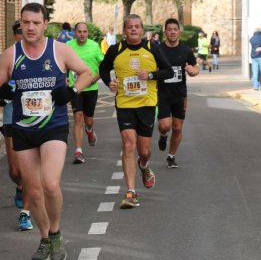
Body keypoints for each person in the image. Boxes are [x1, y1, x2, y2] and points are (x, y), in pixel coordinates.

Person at [0, 3, 93, 260]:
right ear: (21, 24)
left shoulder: (58, 50)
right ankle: (45, 237)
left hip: (53, 127)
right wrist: (1, 93)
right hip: (23, 129)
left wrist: (71, 91)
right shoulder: (11, 55)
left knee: (49, 184)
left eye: (36, 22)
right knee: (33, 191)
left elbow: (87, 73)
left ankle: (56, 232)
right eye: (26, 22)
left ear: (45, 24)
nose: (30, 27)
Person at [98, 14, 173, 209]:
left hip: (147, 104)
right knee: (128, 145)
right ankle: (131, 192)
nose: (133, 29)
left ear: (142, 30)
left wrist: (150, 75)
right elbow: (103, 69)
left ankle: (144, 166)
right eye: (129, 27)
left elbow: (169, 71)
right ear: (125, 30)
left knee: (144, 151)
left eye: (137, 27)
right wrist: (109, 83)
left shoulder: (152, 48)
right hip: (124, 104)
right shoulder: (116, 50)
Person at [0, 21, 33, 231]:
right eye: (20, 33)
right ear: (15, 36)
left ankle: (26, 213)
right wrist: (0, 95)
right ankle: (20, 186)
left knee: (31, 170)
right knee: (15, 171)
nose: (24, 36)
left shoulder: (43, 55)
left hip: (36, 119)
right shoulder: (9, 56)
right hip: (11, 117)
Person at [156, 18, 199, 168]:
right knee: (165, 126)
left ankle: (171, 156)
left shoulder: (185, 50)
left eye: (175, 29)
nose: (172, 32)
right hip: (162, 94)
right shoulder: (158, 49)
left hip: (180, 95)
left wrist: (193, 71)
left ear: (179, 31)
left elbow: (195, 67)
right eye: (169, 29)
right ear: (165, 32)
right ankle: (162, 136)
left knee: (178, 127)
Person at [67, 22, 104, 164]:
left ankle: (89, 129)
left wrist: (94, 79)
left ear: (87, 33)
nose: (82, 34)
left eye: (84, 32)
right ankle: (78, 151)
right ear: (74, 33)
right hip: (75, 88)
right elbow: (63, 65)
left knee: (88, 119)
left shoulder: (94, 46)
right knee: (78, 117)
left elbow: (103, 66)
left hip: (91, 89)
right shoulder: (69, 46)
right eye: (79, 31)